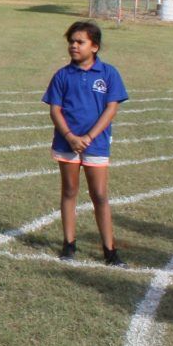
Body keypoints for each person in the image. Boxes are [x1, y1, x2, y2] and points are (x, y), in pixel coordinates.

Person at [44, 20, 128, 265]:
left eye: (80, 42)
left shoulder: (109, 73)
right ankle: (69, 244)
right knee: (69, 191)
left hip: (97, 144)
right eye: (71, 41)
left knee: (99, 194)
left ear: (95, 47)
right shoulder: (62, 75)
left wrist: (89, 137)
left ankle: (109, 250)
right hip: (66, 143)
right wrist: (70, 137)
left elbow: (111, 109)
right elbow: (55, 110)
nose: (74, 46)